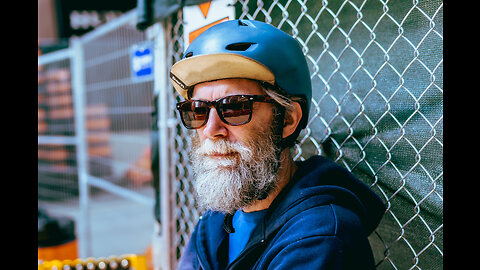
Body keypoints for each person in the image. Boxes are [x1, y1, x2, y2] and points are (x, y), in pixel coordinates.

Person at [170, 19, 386, 270]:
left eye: (234, 107)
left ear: (288, 119)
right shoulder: (215, 224)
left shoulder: (321, 237)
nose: (210, 129)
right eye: (197, 110)